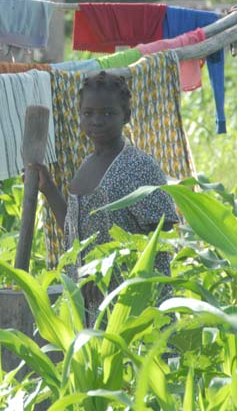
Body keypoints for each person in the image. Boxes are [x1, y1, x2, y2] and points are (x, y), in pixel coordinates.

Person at [29, 70, 178, 324]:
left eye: (108, 114)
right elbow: (74, 233)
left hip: (133, 308)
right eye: (88, 114)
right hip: (89, 308)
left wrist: (106, 272)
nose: (97, 121)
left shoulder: (138, 166)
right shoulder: (86, 166)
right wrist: (50, 189)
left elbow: (160, 238)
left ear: (126, 117)